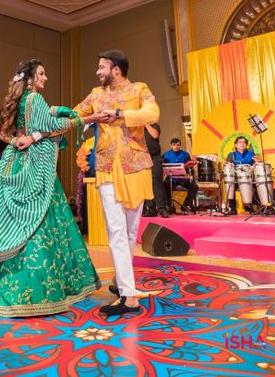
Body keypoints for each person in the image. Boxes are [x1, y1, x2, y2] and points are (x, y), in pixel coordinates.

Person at [0, 58, 101, 317]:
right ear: (31, 78)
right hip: (34, 168)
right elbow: (51, 127)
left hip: (13, 162)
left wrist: (29, 132)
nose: (46, 78)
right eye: (42, 74)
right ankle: (34, 290)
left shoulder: (19, 102)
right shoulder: (34, 99)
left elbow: (6, 135)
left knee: (2, 222)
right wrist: (87, 119)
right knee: (39, 220)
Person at [75, 49, 160, 317]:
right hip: (107, 167)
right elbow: (75, 114)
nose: (97, 71)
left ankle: (121, 283)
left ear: (116, 70)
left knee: (130, 234)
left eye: (101, 67)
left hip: (135, 166)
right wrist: (91, 118)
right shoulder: (96, 95)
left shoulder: (139, 89)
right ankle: (129, 296)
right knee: (116, 230)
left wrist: (120, 113)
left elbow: (153, 112)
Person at [225, 136, 259, 215]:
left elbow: (256, 166)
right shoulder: (231, 155)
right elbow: (228, 165)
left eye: (244, 142)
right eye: (240, 142)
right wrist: (228, 164)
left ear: (246, 145)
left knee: (257, 185)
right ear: (236, 145)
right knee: (231, 185)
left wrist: (257, 162)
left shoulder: (251, 154)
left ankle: (251, 206)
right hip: (236, 178)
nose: (242, 144)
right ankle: (232, 208)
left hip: (249, 178)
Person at [163, 138, 198, 213]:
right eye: (174, 145)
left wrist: (191, 166)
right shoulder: (166, 155)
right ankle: (169, 206)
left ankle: (185, 205)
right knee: (164, 185)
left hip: (183, 179)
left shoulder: (185, 154)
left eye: (178, 145)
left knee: (194, 186)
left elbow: (189, 167)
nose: (176, 147)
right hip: (170, 178)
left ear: (180, 145)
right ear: (171, 145)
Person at [143, 123, 169, 218]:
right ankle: (151, 209)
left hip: (155, 158)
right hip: (142, 158)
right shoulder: (137, 127)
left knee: (157, 183)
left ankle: (162, 208)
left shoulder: (154, 125)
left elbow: (155, 135)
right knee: (147, 184)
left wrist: (145, 123)